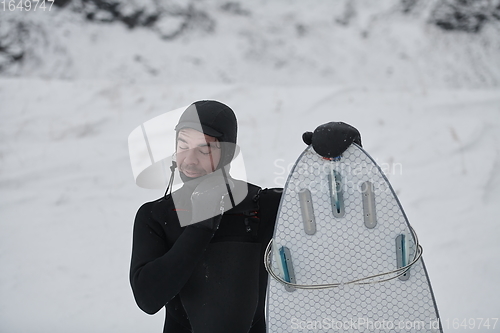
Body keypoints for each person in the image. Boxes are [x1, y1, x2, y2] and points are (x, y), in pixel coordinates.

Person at [129, 100, 361, 332]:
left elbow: (335, 208)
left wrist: (343, 161)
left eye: (204, 149)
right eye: (183, 145)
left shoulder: (262, 205)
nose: (189, 159)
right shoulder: (156, 216)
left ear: (228, 153)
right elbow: (148, 299)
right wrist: (200, 227)